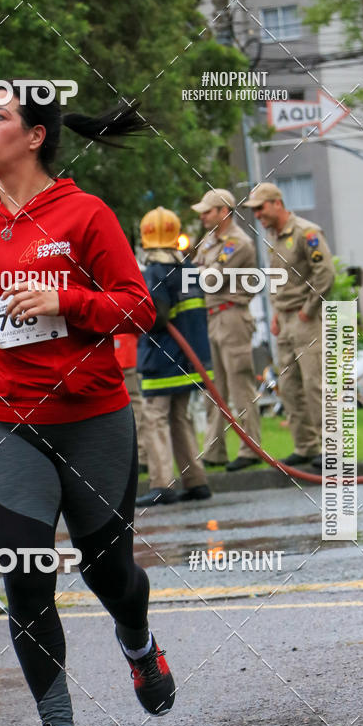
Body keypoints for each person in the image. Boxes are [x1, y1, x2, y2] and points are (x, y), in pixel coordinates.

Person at [0, 83, 175, 726]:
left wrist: (64, 298)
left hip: (94, 420)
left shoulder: (85, 214)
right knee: (27, 578)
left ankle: (139, 643)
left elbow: (137, 311)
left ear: (35, 136)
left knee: (110, 574)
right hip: (9, 424)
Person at [244, 182, 335, 468]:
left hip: (305, 319)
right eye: (254, 210)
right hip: (284, 320)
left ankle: (332, 449)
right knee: (290, 386)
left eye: (260, 208)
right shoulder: (275, 237)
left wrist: (308, 310)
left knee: (315, 383)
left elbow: (326, 274)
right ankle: (306, 446)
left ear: (276, 204)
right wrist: (276, 313)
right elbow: (280, 281)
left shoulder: (306, 233)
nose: (257, 215)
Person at [136, 206, 211, 506]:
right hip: (189, 361)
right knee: (181, 419)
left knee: (154, 419)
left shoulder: (154, 272)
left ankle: (162, 484)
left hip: (162, 359)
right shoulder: (189, 270)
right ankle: (196, 481)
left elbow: (156, 317)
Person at [191, 189, 262, 471]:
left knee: (239, 384)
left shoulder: (237, 243)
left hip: (232, 317)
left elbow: (210, 278)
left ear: (224, 212)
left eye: (207, 211)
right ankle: (214, 450)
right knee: (215, 387)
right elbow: (196, 268)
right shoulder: (211, 240)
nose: (202, 216)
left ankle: (250, 448)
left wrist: (193, 272)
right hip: (213, 316)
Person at [113, 332, 148, 473]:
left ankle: (140, 455)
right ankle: (140, 455)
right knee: (134, 405)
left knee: (134, 405)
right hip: (124, 351)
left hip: (123, 353)